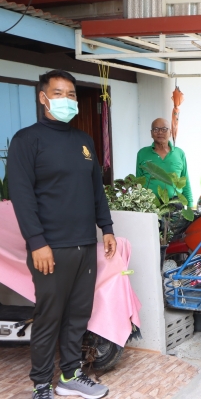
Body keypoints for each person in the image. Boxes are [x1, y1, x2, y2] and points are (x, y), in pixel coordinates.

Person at [8, 69, 117, 399]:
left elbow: (96, 188)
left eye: (71, 95)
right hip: (50, 248)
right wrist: (37, 242)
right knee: (49, 317)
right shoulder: (27, 140)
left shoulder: (83, 141)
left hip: (85, 243)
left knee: (78, 315)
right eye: (58, 93)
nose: (66, 100)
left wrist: (106, 228)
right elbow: (22, 196)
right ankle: (41, 384)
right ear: (43, 97)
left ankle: (70, 376)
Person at [136, 118, 193, 206]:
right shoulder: (142, 153)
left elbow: (185, 181)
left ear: (170, 132)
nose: (160, 132)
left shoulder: (179, 153)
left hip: (175, 203)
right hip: (149, 203)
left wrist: (190, 205)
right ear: (151, 133)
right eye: (156, 129)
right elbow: (138, 182)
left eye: (164, 129)